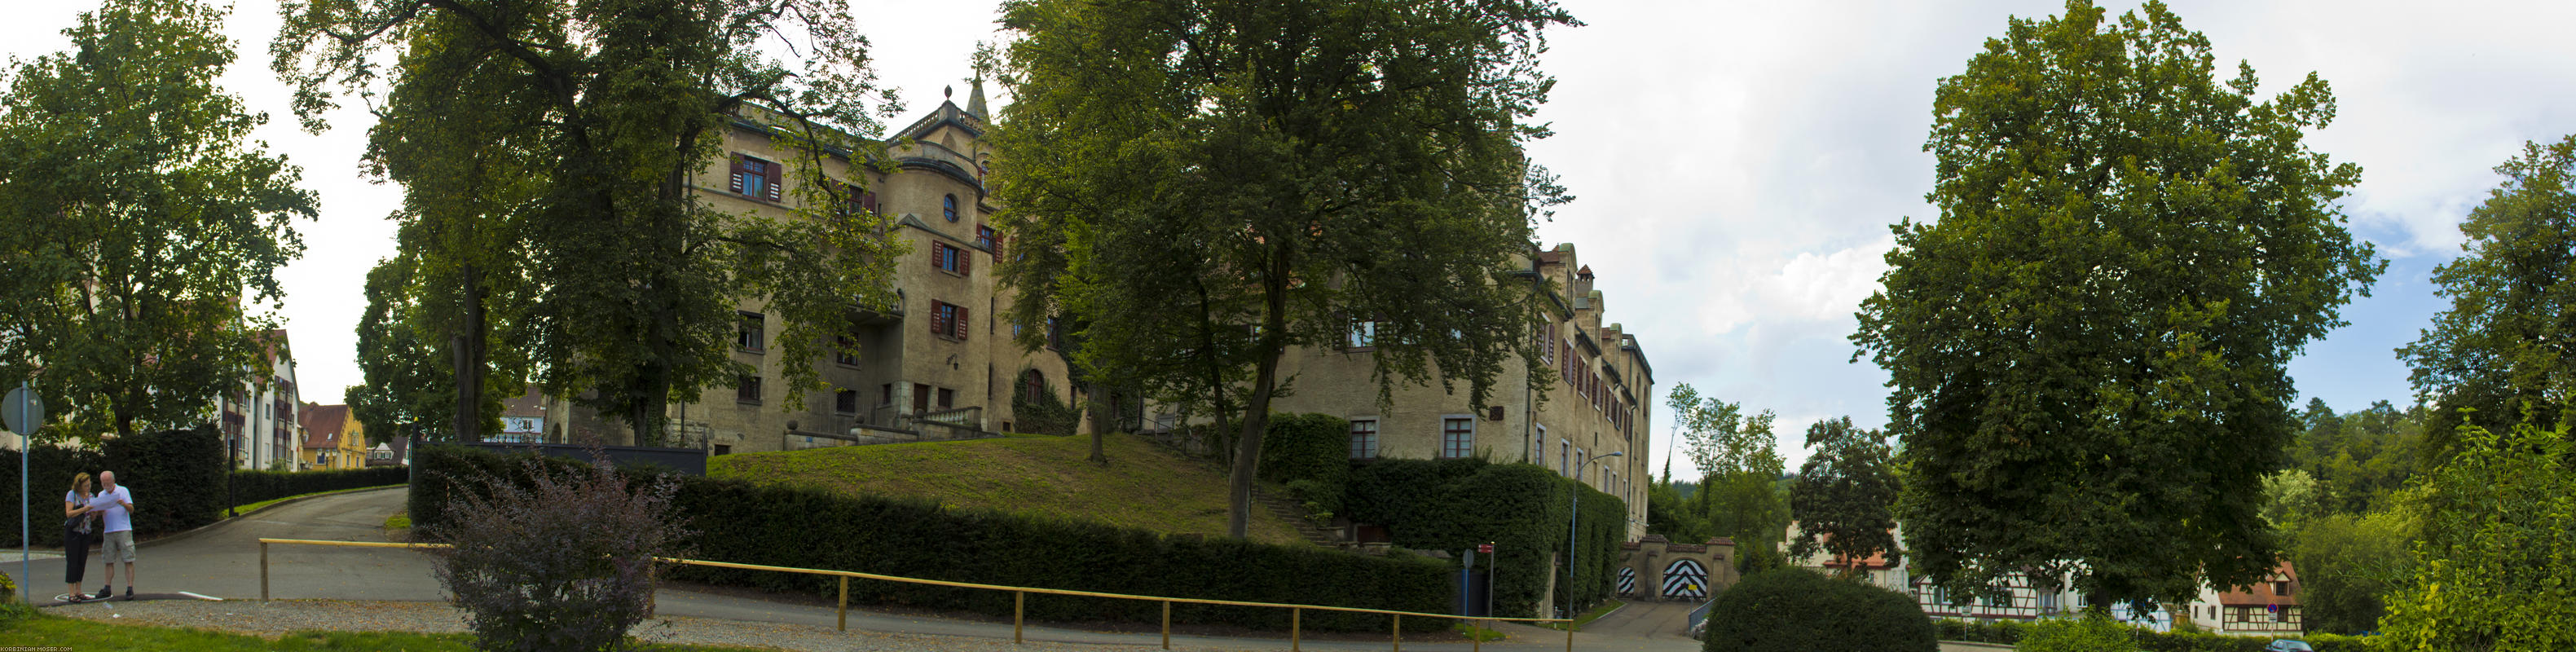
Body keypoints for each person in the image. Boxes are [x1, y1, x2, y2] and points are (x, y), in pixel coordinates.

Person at [90, 469, 135, 601]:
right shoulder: (101, 494)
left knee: (128, 559)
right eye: (103, 483)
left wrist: (124, 504)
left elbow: (131, 510)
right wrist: (96, 511)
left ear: (113, 481)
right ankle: (107, 587)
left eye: (108, 482)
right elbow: (99, 513)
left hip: (123, 529)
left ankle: (130, 588)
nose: (106, 485)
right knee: (108, 560)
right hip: (109, 530)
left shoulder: (123, 491)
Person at [61, 473, 99, 603]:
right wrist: (84, 509)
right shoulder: (72, 494)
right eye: (86, 485)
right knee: (72, 562)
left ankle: (79, 590)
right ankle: (71, 593)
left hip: (86, 532)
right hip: (73, 532)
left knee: (82, 561)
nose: (88, 487)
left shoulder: (92, 496)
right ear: (80, 485)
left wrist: (94, 511)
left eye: (89, 485)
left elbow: (93, 517)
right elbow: (69, 513)